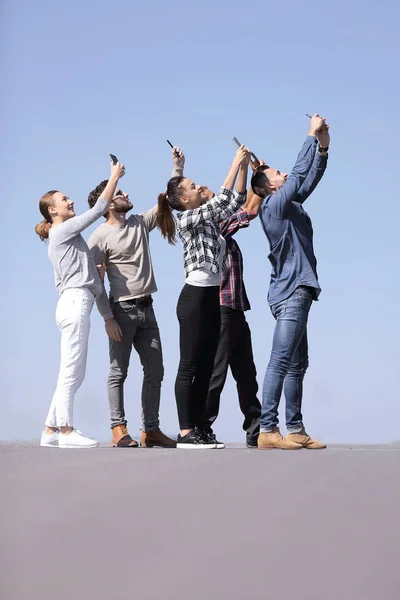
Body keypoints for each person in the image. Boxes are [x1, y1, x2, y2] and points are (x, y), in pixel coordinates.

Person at [170, 146, 263, 448]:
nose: (198, 187)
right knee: (190, 366)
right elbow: (223, 199)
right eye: (192, 186)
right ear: (185, 200)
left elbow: (235, 200)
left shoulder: (208, 222)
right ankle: (186, 431)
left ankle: (199, 427)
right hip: (194, 298)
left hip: (212, 298)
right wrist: (235, 162)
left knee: (208, 366)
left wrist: (244, 169)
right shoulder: (187, 220)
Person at [251, 113, 329, 449]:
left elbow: (307, 180)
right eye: (276, 174)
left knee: (298, 363)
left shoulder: (289, 203)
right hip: (291, 290)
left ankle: (295, 428)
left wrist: (322, 148)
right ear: (269, 186)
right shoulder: (273, 206)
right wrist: (310, 135)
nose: (282, 174)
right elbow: (298, 174)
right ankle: (268, 429)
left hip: (299, 288)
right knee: (282, 359)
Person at [35, 159, 125, 449]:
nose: (70, 200)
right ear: (53, 211)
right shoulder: (61, 231)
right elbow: (100, 209)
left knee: (73, 369)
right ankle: (66, 430)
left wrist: (106, 313)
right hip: (74, 303)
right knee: (72, 369)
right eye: (64, 199)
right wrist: (113, 177)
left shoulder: (71, 239)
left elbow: (95, 286)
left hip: (76, 301)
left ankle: (50, 429)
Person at [87, 173, 176, 449]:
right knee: (118, 372)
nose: (126, 195)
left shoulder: (139, 223)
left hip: (148, 310)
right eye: (120, 193)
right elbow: (95, 282)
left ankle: (151, 430)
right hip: (122, 312)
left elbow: (169, 200)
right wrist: (107, 317)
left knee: (156, 371)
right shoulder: (99, 237)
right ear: (110, 204)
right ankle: (118, 429)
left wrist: (176, 168)